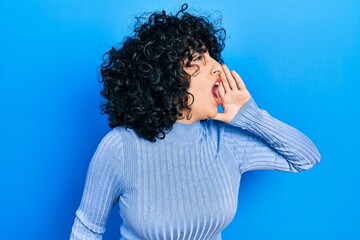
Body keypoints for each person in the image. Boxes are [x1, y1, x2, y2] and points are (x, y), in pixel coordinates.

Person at [70, 4, 320, 240]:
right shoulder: (121, 147)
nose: (217, 68)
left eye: (212, 57)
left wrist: (250, 116)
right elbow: (86, 231)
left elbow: (305, 157)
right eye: (198, 61)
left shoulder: (227, 141)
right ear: (164, 78)